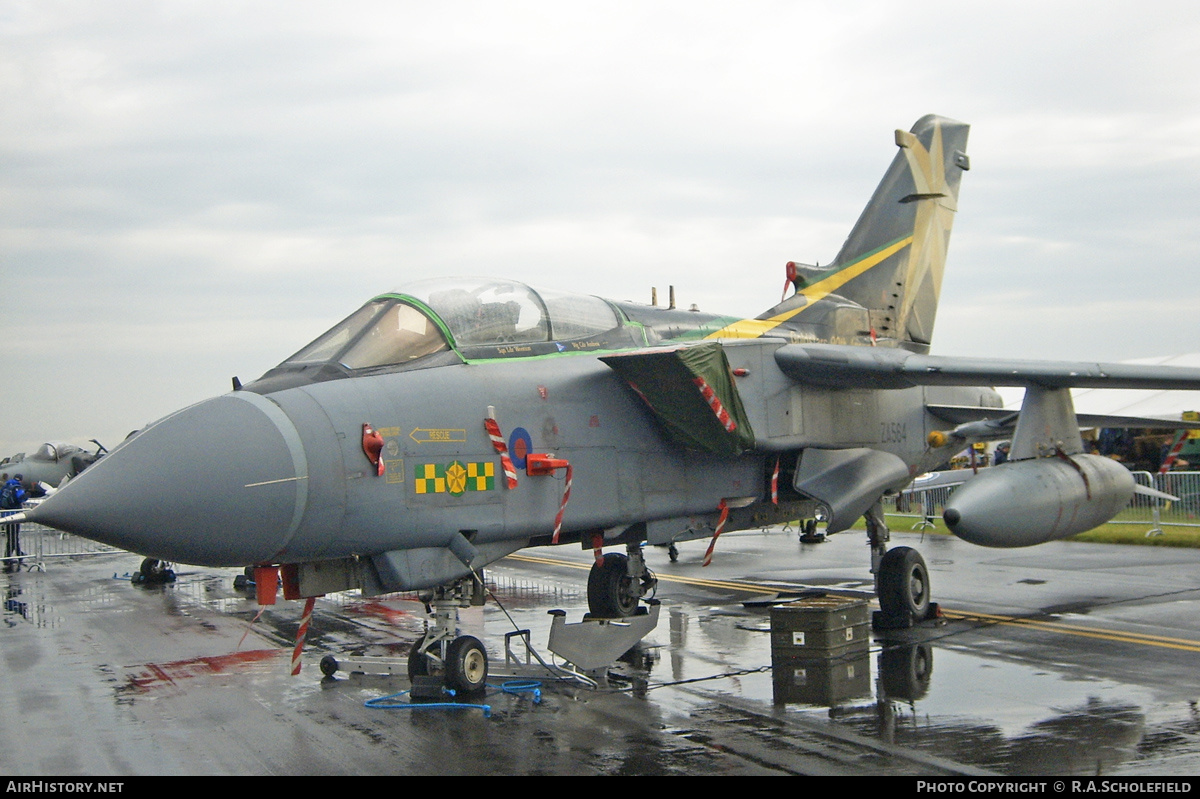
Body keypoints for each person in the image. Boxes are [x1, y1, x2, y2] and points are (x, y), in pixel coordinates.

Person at [1, 473, 28, 572]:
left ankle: (17, 554)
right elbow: (21, 498)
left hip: (6, 515)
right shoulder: (17, 487)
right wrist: (26, 496)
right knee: (14, 536)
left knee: (11, 536)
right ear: (20, 480)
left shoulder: (6, 486)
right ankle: (8, 557)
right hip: (15, 515)